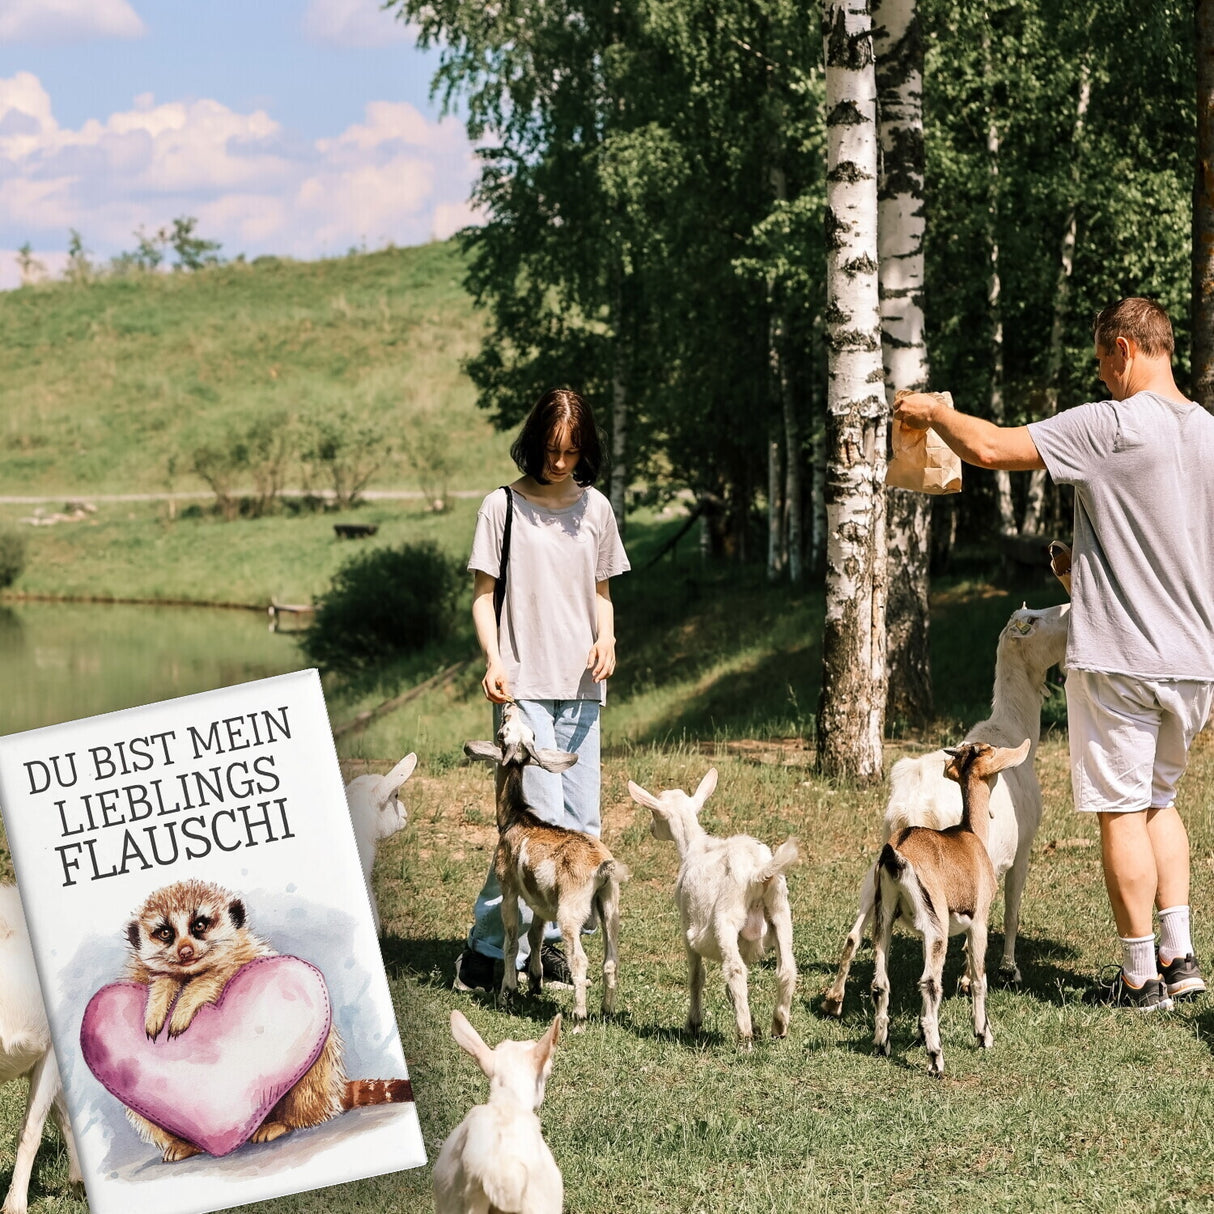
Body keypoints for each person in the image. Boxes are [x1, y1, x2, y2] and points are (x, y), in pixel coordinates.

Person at [895, 297, 1214, 1011]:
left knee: (1122, 810)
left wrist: (935, 414)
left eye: (1104, 365)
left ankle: (1139, 979)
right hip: (1194, 658)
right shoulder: (1210, 436)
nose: (1103, 380)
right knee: (1163, 800)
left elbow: (990, 448)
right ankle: (1180, 956)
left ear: (1125, 351)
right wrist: (1089, 574)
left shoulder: (1111, 424)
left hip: (1123, 658)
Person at [453, 387, 630, 992]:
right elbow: (483, 597)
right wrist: (494, 659)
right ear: (535, 443)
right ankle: (485, 947)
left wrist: (606, 640)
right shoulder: (500, 508)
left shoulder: (597, 509)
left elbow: (602, 593)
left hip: (583, 686)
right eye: (553, 450)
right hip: (522, 682)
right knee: (536, 821)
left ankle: (550, 947)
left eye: (572, 451)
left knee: (583, 824)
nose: (561, 462)